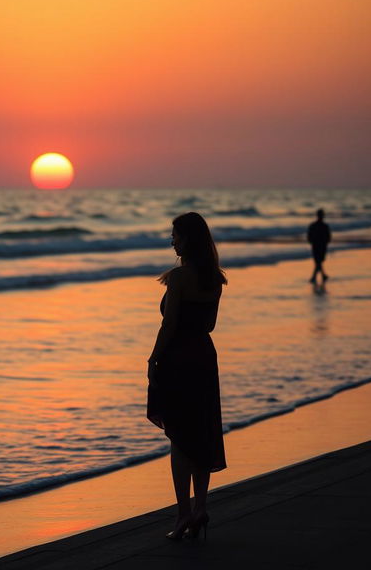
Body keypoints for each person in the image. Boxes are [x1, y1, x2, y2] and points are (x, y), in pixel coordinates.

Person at [147, 212, 227, 541]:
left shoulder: (178, 279)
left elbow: (169, 325)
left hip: (178, 358)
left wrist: (154, 358)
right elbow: (209, 326)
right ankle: (201, 509)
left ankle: (182, 514)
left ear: (188, 239)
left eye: (175, 236)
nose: (172, 241)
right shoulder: (215, 279)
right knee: (200, 433)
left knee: (180, 438)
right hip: (204, 357)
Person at [307, 209, 331, 284]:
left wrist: (311, 241)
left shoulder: (314, 225)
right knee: (318, 261)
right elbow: (328, 237)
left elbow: (309, 236)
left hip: (318, 245)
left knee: (318, 261)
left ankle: (317, 276)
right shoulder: (324, 226)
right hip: (319, 245)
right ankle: (320, 276)